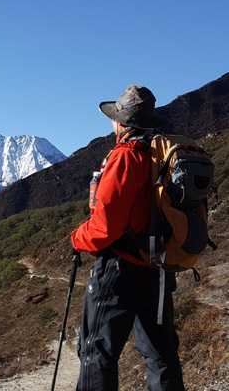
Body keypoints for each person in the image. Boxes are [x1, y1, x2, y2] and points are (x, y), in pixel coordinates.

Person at [71, 85, 184, 390]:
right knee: (161, 355)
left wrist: (76, 239)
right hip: (157, 269)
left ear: (121, 122)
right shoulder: (158, 158)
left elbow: (105, 226)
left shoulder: (126, 157)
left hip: (121, 270)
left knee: (97, 353)